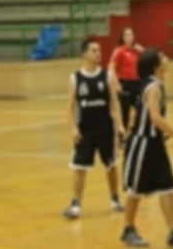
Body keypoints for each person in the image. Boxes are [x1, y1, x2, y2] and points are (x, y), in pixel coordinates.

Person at [120, 48, 173, 247]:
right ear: (155, 64)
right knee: (136, 189)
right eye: (163, 57)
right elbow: (155, 118)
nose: (167, 58)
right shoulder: (153, 86)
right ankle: (128, 229)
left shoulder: (151, 84)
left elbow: (136, 110)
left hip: (155, 144)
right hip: (143, 143)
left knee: (167, 186)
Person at [63, 39, 127, 219]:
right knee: (79, 167)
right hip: (85, 131)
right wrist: (73, 129)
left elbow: (114, 103)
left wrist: (120, 125)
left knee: (111, 166)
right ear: (84, 54)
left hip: (105, 129)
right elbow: (70, 106)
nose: (98, 53)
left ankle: (115, 199)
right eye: (93, 51)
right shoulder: (75, 78)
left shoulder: (107, 76)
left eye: (99, 50)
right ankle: (76, 204)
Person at [109, 27, 145, 130]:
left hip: (137, 83)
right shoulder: (119, 50)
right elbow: (111, 67)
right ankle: (122, 134)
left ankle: (138, 129)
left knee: (142, 107)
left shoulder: (136, 51)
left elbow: (149, 60)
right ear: (122, 37)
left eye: (131, 35)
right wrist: (116, 84)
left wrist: (143, 50)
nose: (129, 37)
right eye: (126, 35)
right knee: (124, 110)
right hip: (125, 82)